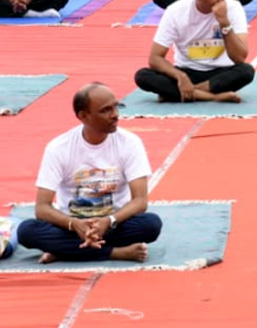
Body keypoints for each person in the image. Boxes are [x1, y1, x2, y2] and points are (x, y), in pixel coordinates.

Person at [16, 83, 162, 264]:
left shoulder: (130, 143)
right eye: (106, 110)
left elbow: (140, 201)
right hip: (71, 226)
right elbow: (42, 208)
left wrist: (108, 221)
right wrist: (75, 224)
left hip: (114, 224)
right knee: (26, 231)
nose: (115, 114)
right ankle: (116, 252)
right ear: (83, 116)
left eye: (116, 106)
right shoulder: (59, 148)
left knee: (151, 225)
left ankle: (64, 250)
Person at [134, 0, 255, 103]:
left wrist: (224, 23)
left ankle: (182, 93)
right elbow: (155, 58)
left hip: (220, 72)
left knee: (246, 71)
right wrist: (181, 77)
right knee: (143, 76)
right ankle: (211, 96)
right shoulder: (176, 11)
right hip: (187, 70)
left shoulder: (233, 7)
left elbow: (240, 57)